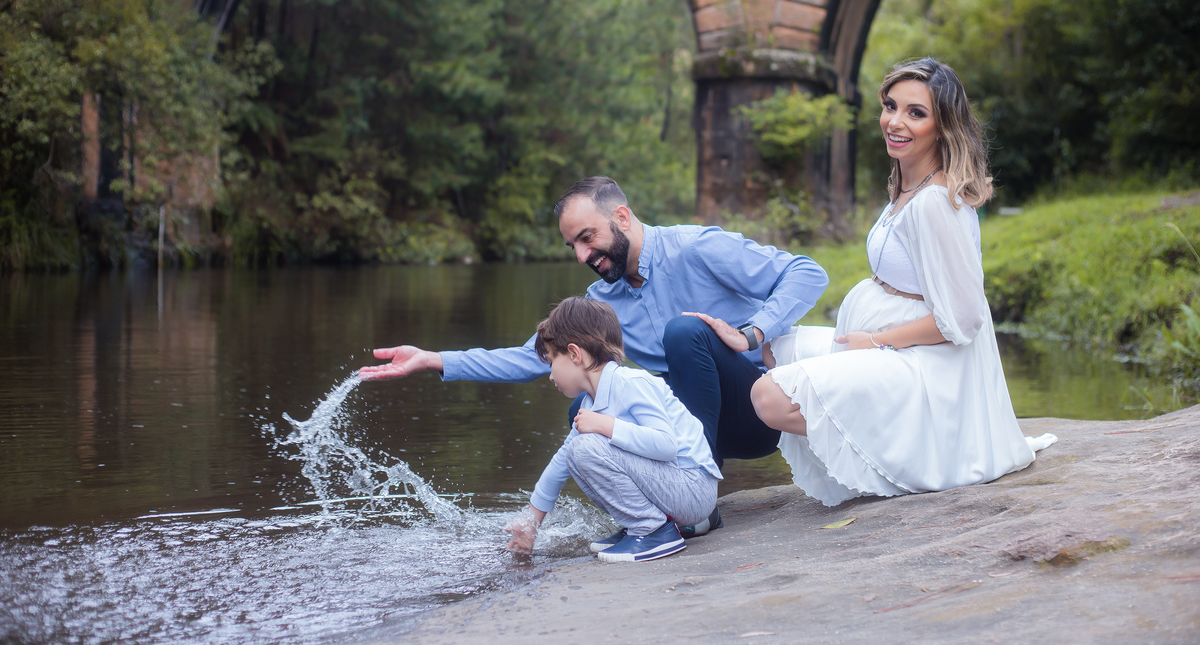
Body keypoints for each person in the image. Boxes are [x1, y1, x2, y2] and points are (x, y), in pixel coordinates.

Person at [360, 176, 828, 532]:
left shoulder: (696, 247)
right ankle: (652, 517)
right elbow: (534, 357)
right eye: (573, 246)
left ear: (622, 218)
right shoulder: (601, 303)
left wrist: (751, 332)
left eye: (588, 238)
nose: (582, 255)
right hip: (689, 426)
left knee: (685, 332)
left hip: (756, 414)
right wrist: (434, 359)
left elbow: (808, 273)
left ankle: (698, 506)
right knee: (585, 405)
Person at [694, 57, 1055, 505]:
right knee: (772, 349)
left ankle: (917, 445)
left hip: (928, 364)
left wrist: (878, 341)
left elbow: (963, 319)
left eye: (915, 113)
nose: (895, 122)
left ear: (942, 127)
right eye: (890, 106)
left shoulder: (935, 205)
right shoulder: (904, 188)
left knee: (770, 397)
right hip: (890, 347)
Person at [504, 296, 721, 562]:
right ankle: (640, 524)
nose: (550, 375)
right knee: (574, 453)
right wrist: (532, 521)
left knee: (583, 448)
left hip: (693, 488)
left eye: (551, 362)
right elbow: (561, 463)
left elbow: (666, 445)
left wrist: (607, 426)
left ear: (574, 354)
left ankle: (651, 530)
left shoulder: (631, 383)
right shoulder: (593, 402)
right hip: (673, 490)